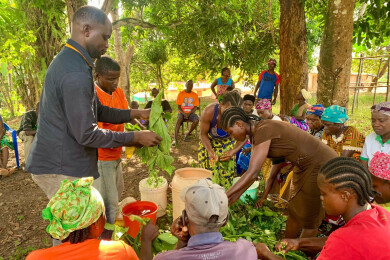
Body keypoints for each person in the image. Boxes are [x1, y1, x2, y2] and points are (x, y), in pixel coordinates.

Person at [26, 6, 161, 202]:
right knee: (74, 229)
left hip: (64, 162)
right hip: (60, 167)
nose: (107, 45)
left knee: (78, 226)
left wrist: (137, 114)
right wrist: (135, 137)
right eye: (105, 37)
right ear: (86, 30)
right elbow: (87, 134)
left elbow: (99, 111)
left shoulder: (75, 61)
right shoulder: (75, 72)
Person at [220, 107, 337, 238]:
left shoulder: (264, 129)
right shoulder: (256, 133)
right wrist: (235, 195)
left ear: (239, 124)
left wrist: (222, 197)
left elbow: (252, 173)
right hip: (302, 165)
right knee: (294, 210)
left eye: (230, 132)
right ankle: (287, 246)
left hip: (320, 163)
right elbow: (252, 174)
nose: (232, 137)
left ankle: (304, 252)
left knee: (309, 217)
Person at [255, 157, 390, 260]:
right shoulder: (380, 213)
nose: (321, 199)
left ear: (345, 196)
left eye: (324, 194)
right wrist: (300, 242)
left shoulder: (344, 239)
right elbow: (341, 242)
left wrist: (267, 254)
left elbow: (343, 242)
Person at [26, 177, 158, 260]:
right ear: (95, 224)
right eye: (103, 214)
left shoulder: (36, 257)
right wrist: (146, 241)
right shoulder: (119, 251)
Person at [153, 178, 258, 260]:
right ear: (225, 220)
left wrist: (180, 244)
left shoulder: (164, 258)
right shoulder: (245, 251)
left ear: (184, 219)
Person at [93, 56, 128, 238]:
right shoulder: (93, 97)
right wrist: (132, 138)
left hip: (116, 154)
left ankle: (110, 233)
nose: (115, 83)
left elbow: (125, 115)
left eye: (117, 78)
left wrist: (144, 127)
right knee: (108, 202)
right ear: (98, 76)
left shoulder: (118, 92)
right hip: (102, 157)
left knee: (117, 191)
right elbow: (99, 135)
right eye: (111, 79)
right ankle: (105, 240)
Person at [198, 90, 246, 186]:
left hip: (227, 147)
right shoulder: (209, 112)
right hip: (209, 145)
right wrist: (210, 152)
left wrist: (233, 151)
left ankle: (224, 198)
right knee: (208, 179)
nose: (230, 114)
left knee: (226, 179)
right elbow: (203, 134)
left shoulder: (239, 115)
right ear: (221, 104)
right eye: (227, 110)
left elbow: (245, 136)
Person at [360, 102, 390, 168]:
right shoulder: (370, 139)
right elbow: (363, 165)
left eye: (381, 121)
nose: (376, 124)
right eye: (373, 121)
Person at [174, 80, 200, 144]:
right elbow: (179, 107)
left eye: (191, 85)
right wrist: (184, 113)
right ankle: (175, 139)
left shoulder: (195, 95)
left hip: (191, 113)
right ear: (186, 85)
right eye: (188, 84)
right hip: (182, 113)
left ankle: (187, 134)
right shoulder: (181, 94)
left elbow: (195, 107)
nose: (190, 86)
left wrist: (189, 113)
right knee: (179, 120)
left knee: (196, 120)